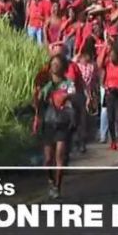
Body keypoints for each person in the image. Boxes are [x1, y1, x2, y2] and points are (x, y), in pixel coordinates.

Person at [33, 54, 80, 199]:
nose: (55, 66)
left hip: (63, 123)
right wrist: (37, 98)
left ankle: (57, 186)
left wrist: (65, 98)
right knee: (48, 159)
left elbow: (74, 100)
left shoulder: (68, 84)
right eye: (53, 64)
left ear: (63, 67)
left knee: (59, 155)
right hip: (48, 122)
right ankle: (51, 181)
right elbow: (37, 105)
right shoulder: (45, 84)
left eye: (58, 64)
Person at [98, 41, 118, 150]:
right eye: (110, 55)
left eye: (113, 55)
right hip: (110, 93)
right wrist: (105, 48)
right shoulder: (107, 63)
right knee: (110, 118)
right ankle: (113, 140)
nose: (111, 57)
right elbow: (99, 63)